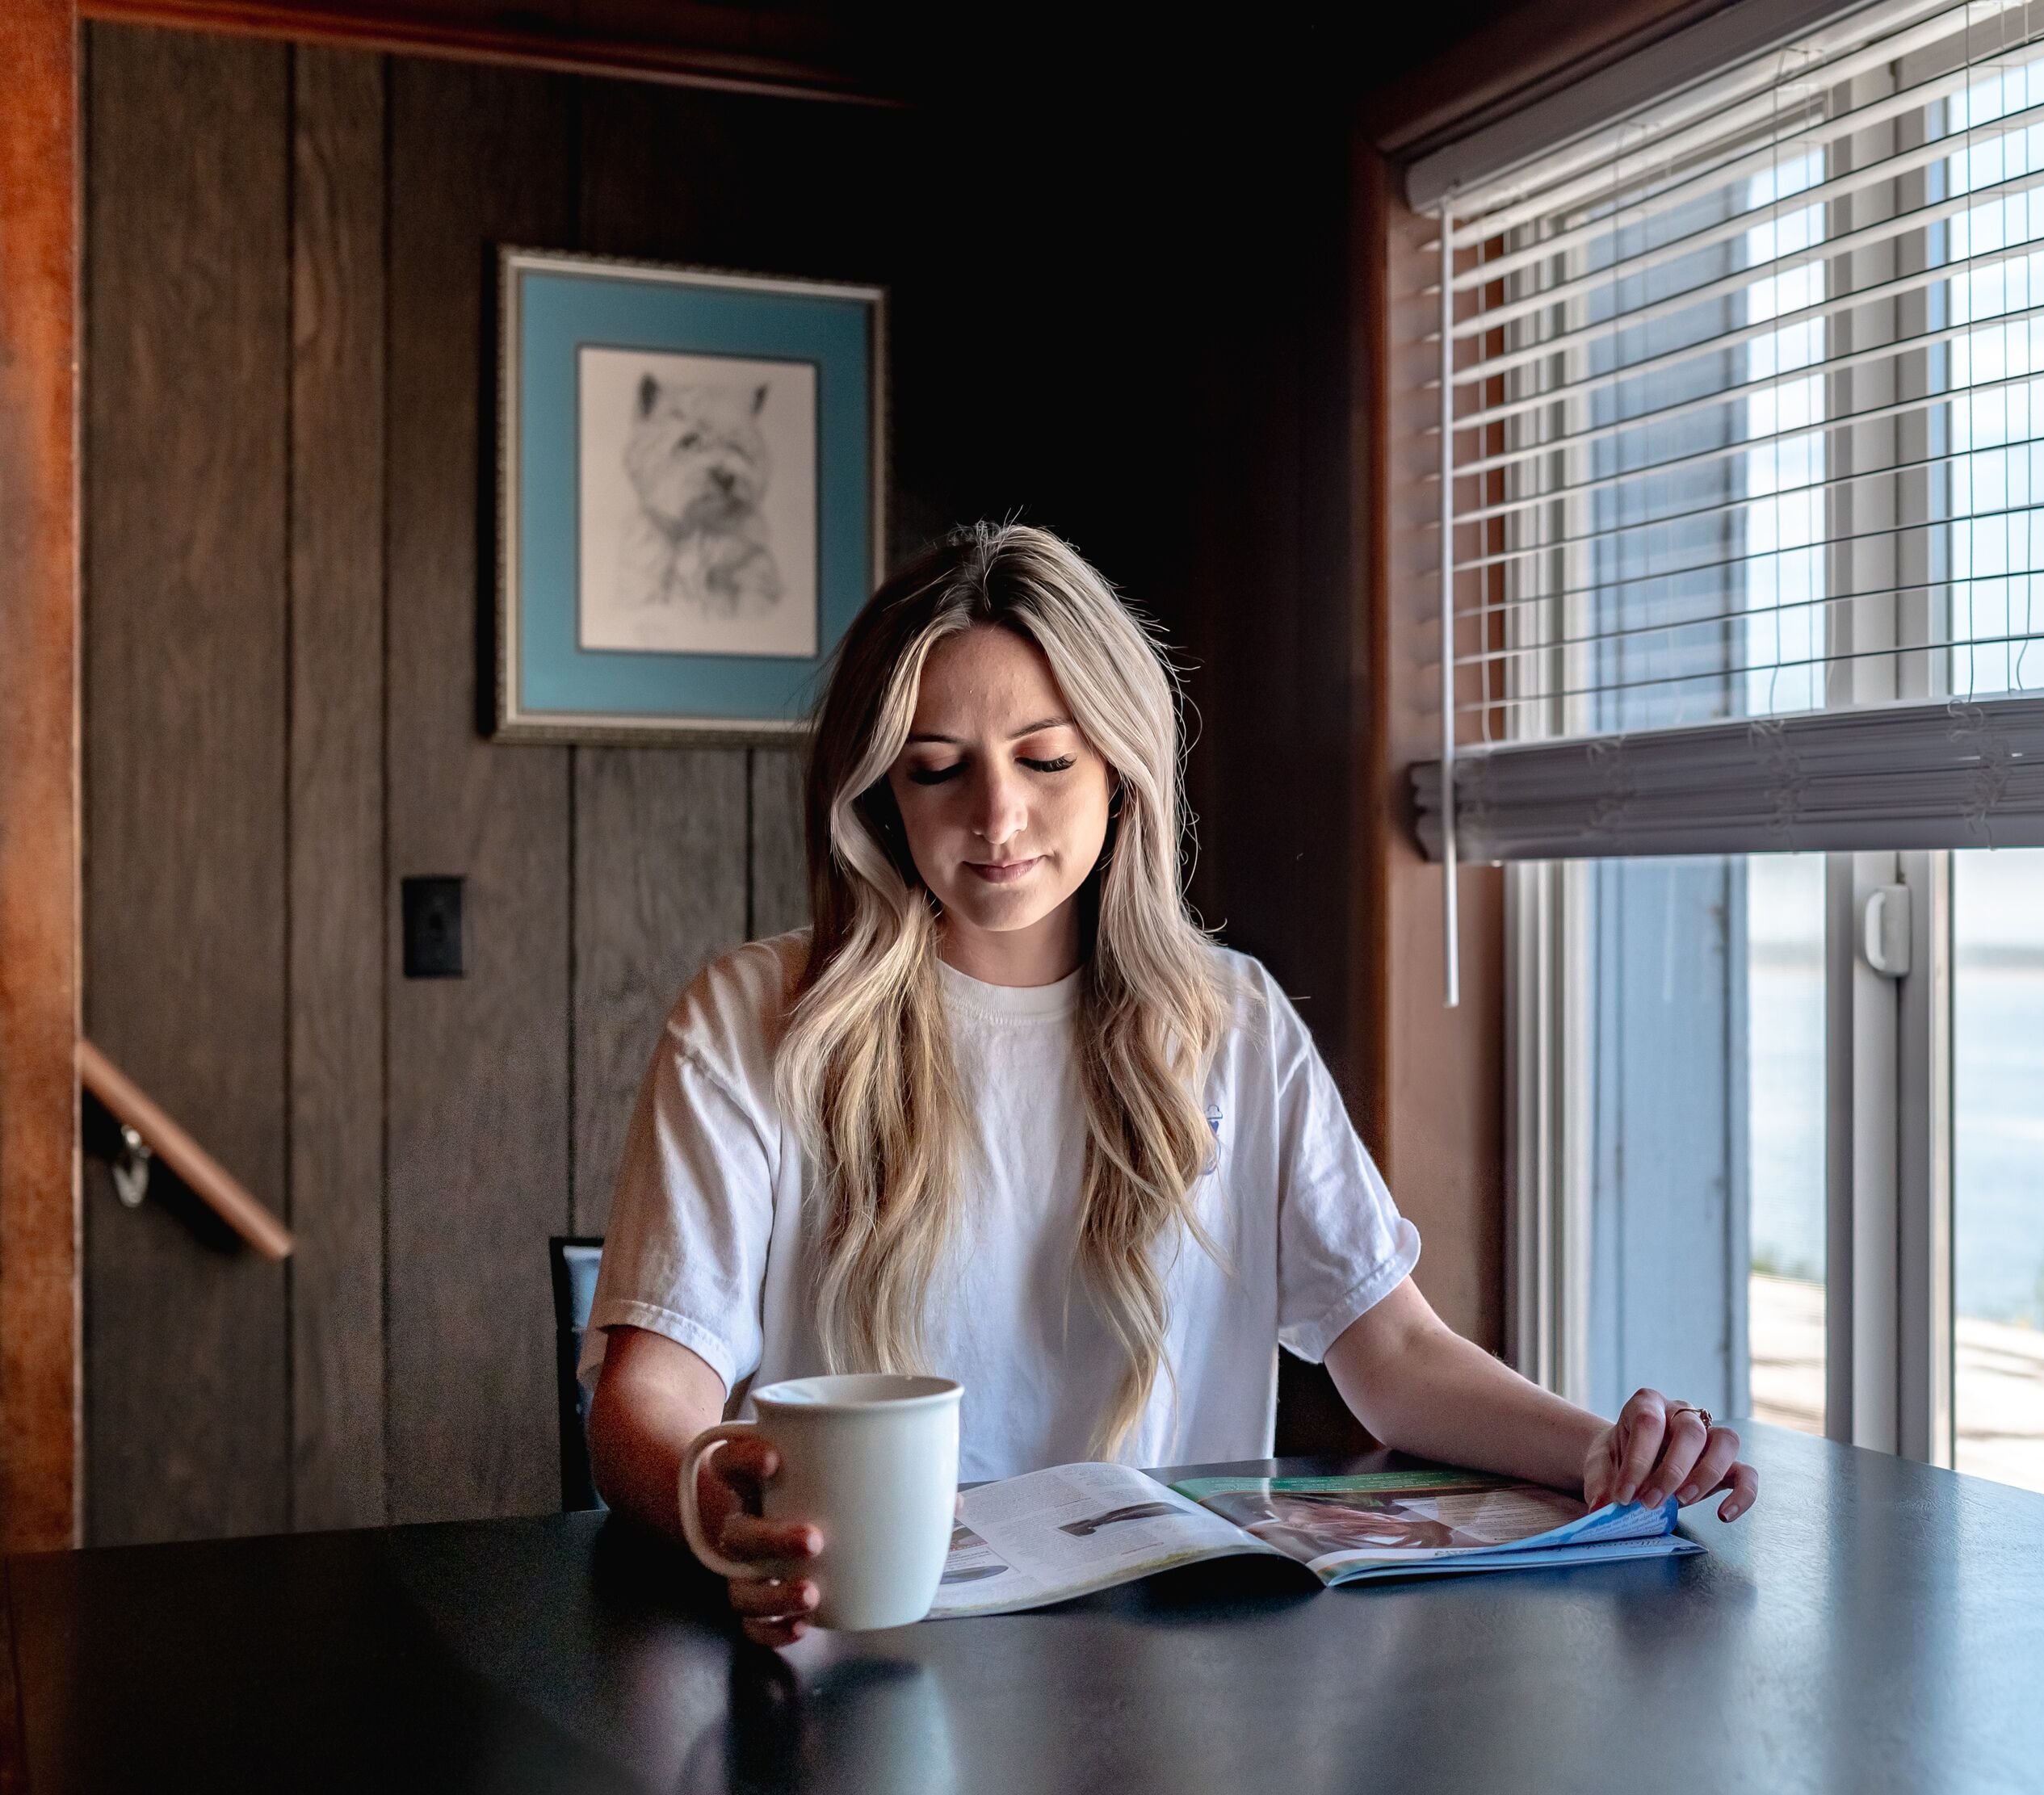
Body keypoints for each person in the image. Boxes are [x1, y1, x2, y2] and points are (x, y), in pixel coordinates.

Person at [584, 522, 1758, 1643]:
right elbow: (649, 1396)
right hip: (876, 1635)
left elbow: (1393, 1357)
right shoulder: (753, 1018)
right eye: (939, 771)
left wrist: (1603, 1451)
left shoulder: (1234, 1020)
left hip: (1174, 1668)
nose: (998, 817)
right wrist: (711, 1498)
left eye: (1045, 759)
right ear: (881, 793)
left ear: (1120, 768)